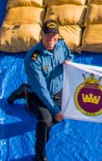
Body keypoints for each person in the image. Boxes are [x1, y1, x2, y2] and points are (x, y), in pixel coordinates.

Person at [7, 20, 73, 161]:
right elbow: (41, 89)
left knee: (64, 115)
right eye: (48, 35)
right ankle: (40, 155)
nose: (51, 39)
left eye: (54, 35)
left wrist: (69, 62)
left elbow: (69, 56)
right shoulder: (33, 58)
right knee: (46, 121)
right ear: (41, 34)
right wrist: (55, 110)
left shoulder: (61, 45)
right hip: (38, 94)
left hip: (58, 92)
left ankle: (24, 88)